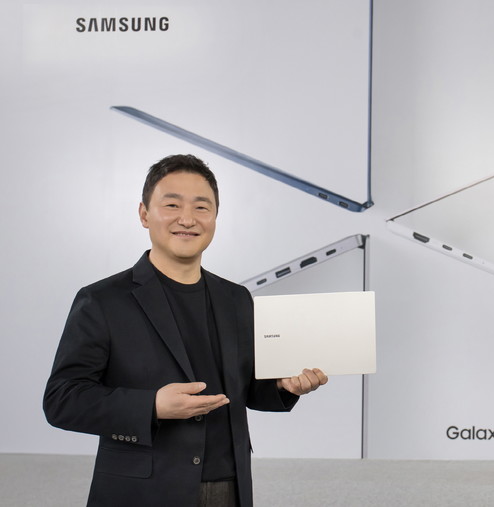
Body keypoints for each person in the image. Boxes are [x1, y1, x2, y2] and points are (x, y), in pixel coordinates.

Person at [43, 154, 328, 507]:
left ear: (215, 217)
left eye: (201, 207)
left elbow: (245, 387)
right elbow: (62, 400)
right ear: (144, 214)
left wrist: (284, 386)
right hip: (143, 491)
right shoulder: (102, 300)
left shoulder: (235, 298)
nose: (188, 219)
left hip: (230, 487)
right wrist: (151, 406)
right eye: (172, 205)